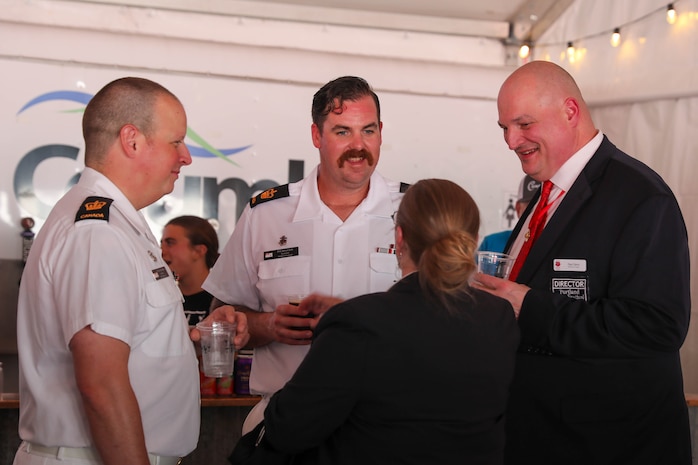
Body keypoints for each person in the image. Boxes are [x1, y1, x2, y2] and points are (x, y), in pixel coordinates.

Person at [14, 77, 248, 465]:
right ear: (132, 140)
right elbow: (101, 382)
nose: (186, 156)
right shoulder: (99, 232)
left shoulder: (119, 224)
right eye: (176, 141)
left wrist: (187, 336)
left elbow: (126, 342)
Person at [474, 60, 691, 464]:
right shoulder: (546, 194)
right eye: (504, 128)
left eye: (523, 124)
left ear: (570, 111)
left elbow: (658, 326)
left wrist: (529, 307)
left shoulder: (641, 197)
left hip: (607, 446)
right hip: (538, 437)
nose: (510, 140)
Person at [252, 179, 520, 464]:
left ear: (399, 238)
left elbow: (288, 429)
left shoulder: (360, 325)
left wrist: (345, 325)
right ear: (474, 240)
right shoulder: (498, 316)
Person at [202, 76, 405, 434]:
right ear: (316, 136)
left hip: (387, 427)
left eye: (368, 131)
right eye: (342, 132)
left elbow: (452, 318)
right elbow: (223, 315)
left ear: (381, 132)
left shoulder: (414, 210)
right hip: (285, 424)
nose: (359, 146)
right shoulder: (265, 213)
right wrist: (267, 325)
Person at [161, 215, 219, 325]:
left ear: (198, 251)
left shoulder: (223, 302)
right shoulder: (162, 300)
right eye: (161, 243)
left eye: (170, 243)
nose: (161, 251)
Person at [478, 175, 540, 253]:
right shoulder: (491, 244)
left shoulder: (557, 247)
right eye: (531, 206)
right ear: (518, 208)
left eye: (546, 206)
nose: (539, 212)